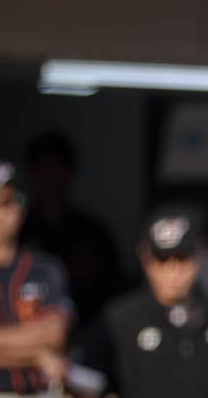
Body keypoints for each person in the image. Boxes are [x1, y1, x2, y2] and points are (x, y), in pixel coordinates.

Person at [78, 204, 208, 398]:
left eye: (182, 258)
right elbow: (84, 380)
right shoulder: (118, 319)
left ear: (200, 251)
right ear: (144, 256)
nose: (172, 270)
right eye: (163, 259)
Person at [19, 133, 127, 335]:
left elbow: (115, 292)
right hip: (26, 339)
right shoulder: (19, 232)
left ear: (70, 172)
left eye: (56, 168)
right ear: (32, 173)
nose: (50, 177)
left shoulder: (92, 232)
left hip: (88, 335)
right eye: (44, 169)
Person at [0, 160, 74, 396]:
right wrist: (36, 353)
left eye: (7, 201)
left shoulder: (46, 267)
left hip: (41, 392)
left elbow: (55, 334)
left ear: (22, 207)